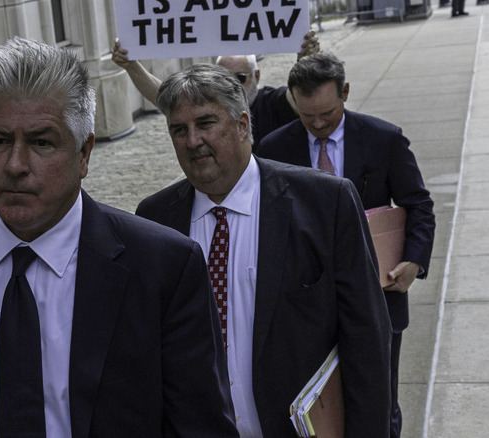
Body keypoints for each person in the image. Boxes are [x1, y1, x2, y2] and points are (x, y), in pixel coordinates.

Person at [0, 37, 238, 437]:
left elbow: (200, 427)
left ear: (84, 154)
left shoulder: (163, 266)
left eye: (41, 142)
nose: (15, 165)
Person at [136, 63, 392, 437]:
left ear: (242, 124)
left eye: (206, 123)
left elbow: (367, 340)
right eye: (179, 129)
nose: (192, 140)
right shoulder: (154, 219)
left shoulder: (325, 202)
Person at [259, 52, 436, 438]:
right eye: (307, 115)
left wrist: (413, 261)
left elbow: (419, 205)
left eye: (327, 113)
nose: (318, 124)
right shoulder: (272, 148)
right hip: (304, 304)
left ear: (346, 92)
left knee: (379, 401)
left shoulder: (384, 138)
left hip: (377, 295)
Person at [111, 30, 319, 149]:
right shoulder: (210, 104)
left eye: (240, 78)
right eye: (225, 78)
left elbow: (300, 99)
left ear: (256, 76)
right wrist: (131, 66)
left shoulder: (273, 102)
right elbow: (163, 95)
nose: (233, 85)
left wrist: (304, 60)